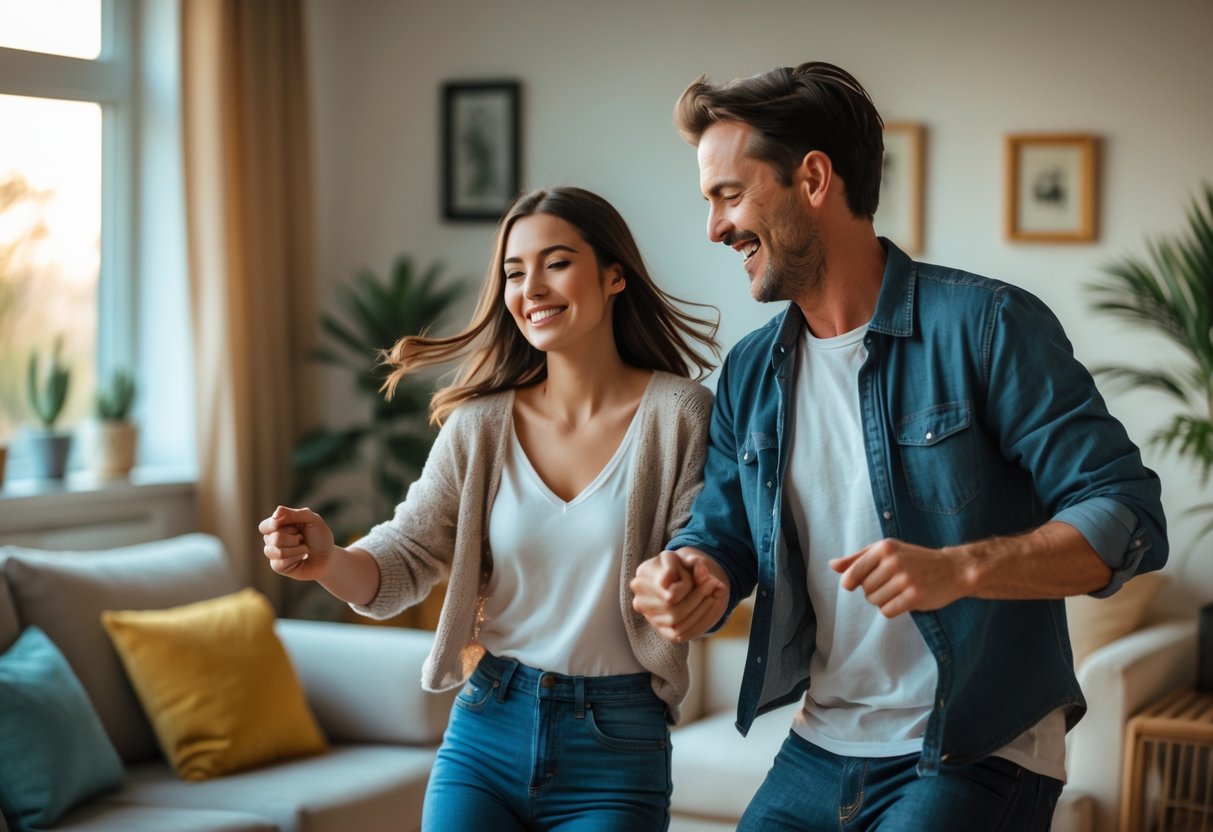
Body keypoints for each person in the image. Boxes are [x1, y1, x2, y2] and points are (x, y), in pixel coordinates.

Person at [629, 61, 1168, 831]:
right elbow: (721, 534)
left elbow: (1126, 515)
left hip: (975, 746)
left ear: (812, 178)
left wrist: (961, 567)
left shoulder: (985, 326)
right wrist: (691, 575)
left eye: (728, 195)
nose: (714, 227)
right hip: (819, 744)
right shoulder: (750, 370)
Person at [259, 186, 718, 831]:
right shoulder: (479, 426)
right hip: (488, 726)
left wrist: (683, 579)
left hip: (617, 742)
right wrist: (329, 560)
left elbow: (702, 549)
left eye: (556, 262)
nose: (531, 287)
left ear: (615, 275)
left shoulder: (681, 415)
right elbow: (406, 558)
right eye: (513, 271)